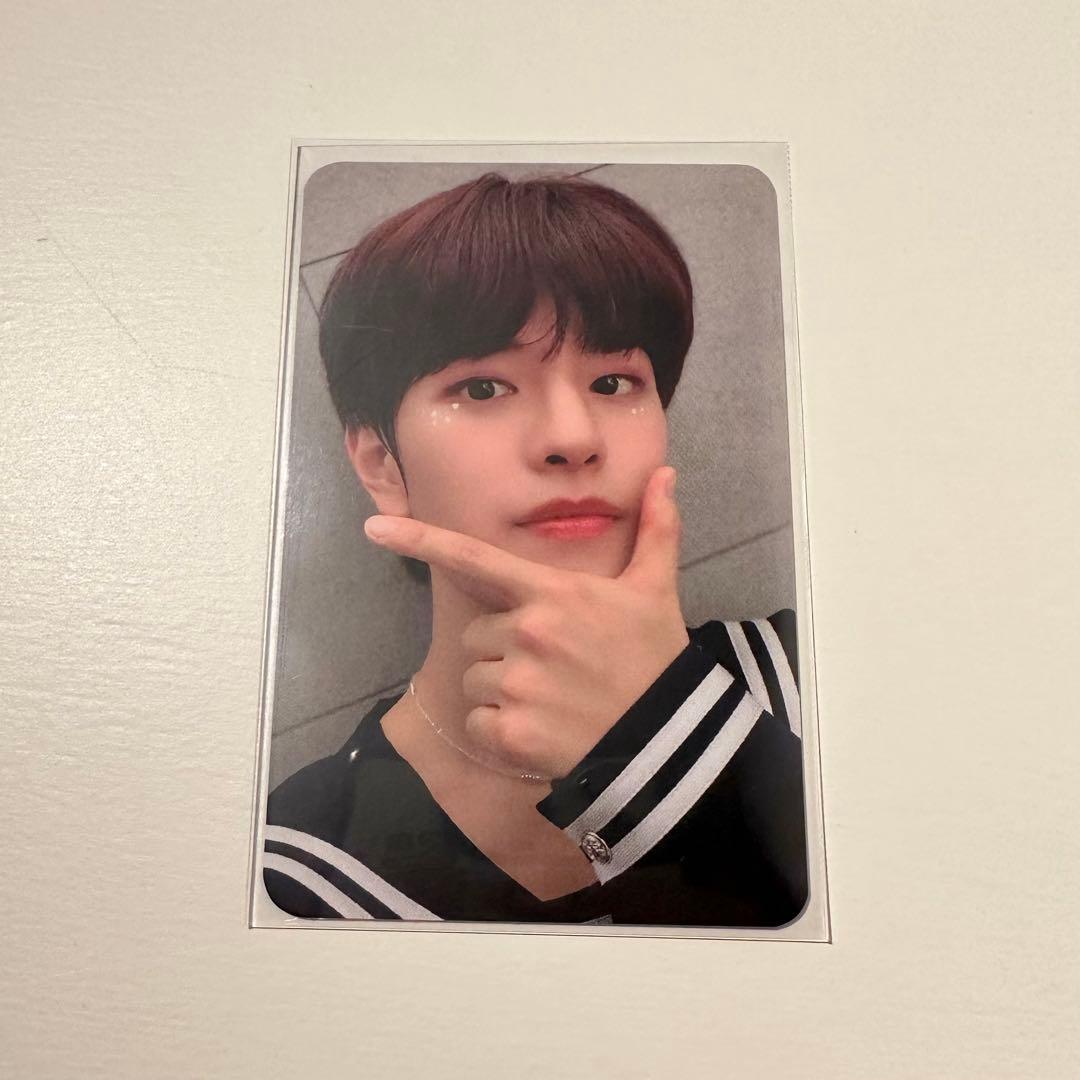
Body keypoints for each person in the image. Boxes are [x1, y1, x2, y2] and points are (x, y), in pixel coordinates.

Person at [263, 171, 807, 927]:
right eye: (483, 388)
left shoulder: (813, 682)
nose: (574, 438)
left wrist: (664, 732)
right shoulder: (298, 872)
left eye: (613, 382)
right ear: (382, 464)